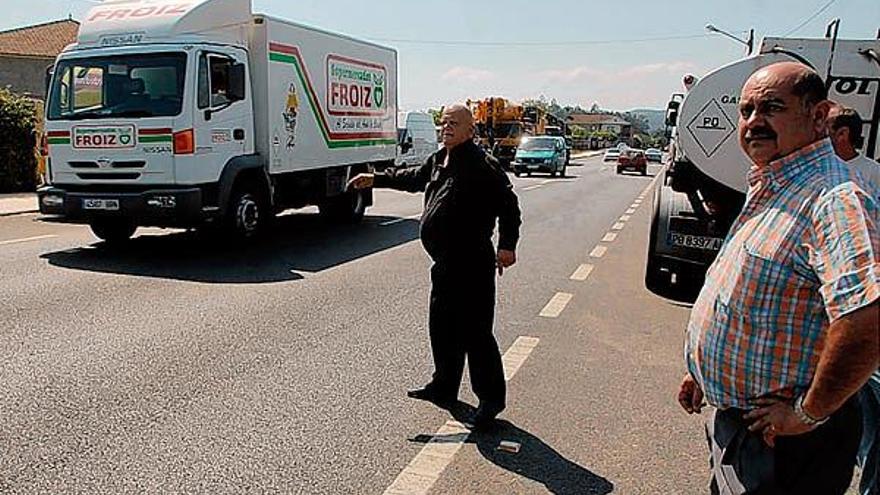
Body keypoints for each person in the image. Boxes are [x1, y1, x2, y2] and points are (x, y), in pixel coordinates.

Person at [678, 62, 880, 494]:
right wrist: (704, 371)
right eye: (746, 110)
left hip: (785, 444)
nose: (754, 122)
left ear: (820, 115)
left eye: (771, 107)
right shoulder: (776, 182)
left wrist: (808, 413)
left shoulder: (836, 199)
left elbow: (869, 319)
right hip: (743, 426)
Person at [348, 104, 521, 427]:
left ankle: (490, 400)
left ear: (471, 130)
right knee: (442, 328)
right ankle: (444, 386)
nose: (446, 128)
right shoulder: (441, 158)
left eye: (454, 123)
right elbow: (413, 178)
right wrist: (375, 179)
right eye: (444, 123)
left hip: (473, 263)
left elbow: (509, 205)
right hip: (444, 263)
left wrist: (507, 245)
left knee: (476, 333)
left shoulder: (483, 165)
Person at [827, 104, 880, 495]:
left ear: (843, 134)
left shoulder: (874, 176)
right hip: (830, 316)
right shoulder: (818, 174)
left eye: (824, 128)